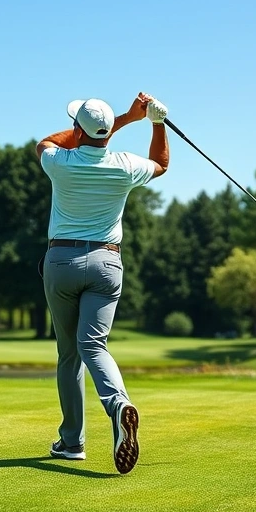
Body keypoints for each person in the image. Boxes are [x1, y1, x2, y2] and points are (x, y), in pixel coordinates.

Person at [35, 92, 169, 474]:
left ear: (78, 129)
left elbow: (44, 143)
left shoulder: (60, 163)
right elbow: (160, 164)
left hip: (62, 262)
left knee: (69, 353)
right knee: (93, 344)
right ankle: (118, 406)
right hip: (108, 264)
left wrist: (123, 120)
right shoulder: (125, 166)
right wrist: (154, 122)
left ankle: (73, 442)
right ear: (107, 133)